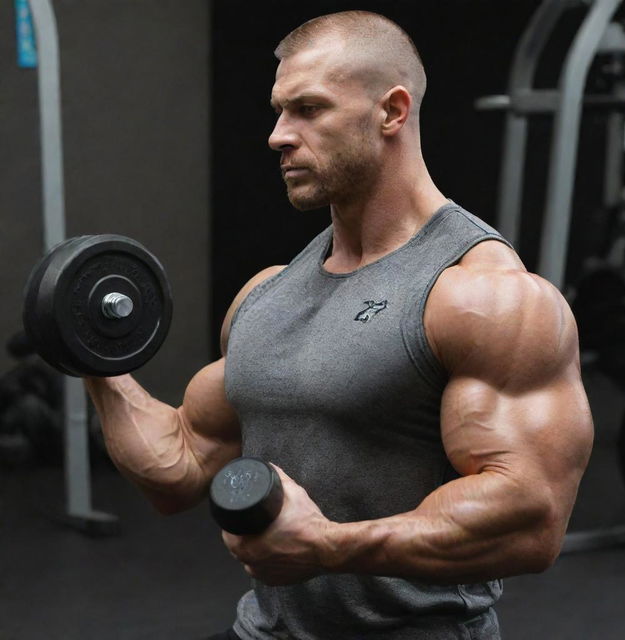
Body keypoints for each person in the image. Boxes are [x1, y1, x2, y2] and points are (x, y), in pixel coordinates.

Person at [86, 10, 594, 640]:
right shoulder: (266, 293)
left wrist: (331, 546)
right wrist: (94, 356)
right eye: (278, 110)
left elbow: (532, 518)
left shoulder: (482, 296)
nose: (277, 135)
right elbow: (181, 465)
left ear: (392, 112)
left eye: (308, 110)